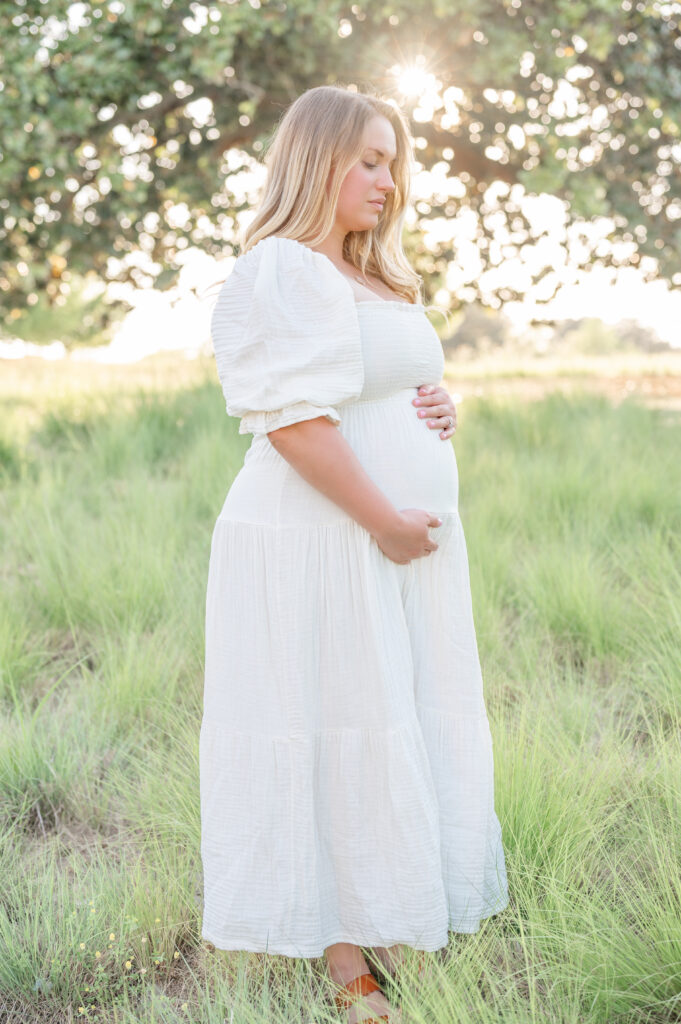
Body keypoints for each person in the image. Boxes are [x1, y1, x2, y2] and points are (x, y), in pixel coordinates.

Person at [200, 83, 509, 1024]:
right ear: (315, 160)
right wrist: (381, 517)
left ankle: (381, 903)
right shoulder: (282, 268)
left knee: (391, 711)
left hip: (382, 540)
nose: (390, 181)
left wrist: (440, 407)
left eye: (394, 162)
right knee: (327, 718)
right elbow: (293, 422)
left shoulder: (375, 275)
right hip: (319, 539)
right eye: (369, 160)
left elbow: (379, 386)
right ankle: (343, 963)